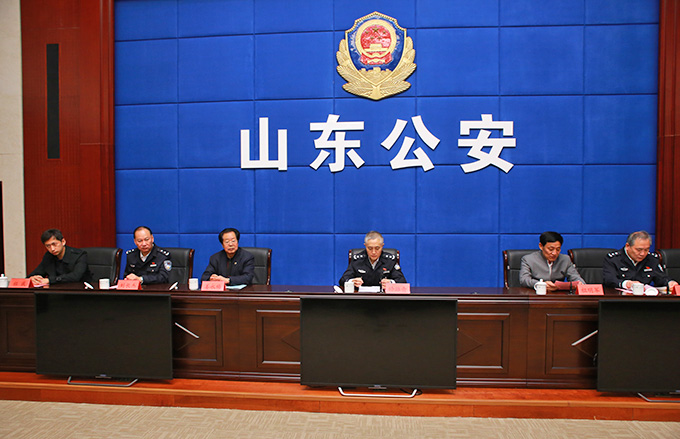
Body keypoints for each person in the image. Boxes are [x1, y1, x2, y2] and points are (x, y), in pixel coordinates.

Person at [602, 230, 678, 290]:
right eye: (639, 250)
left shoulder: (651, 259)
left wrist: (670, 282)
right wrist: (626, 283)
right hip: (618, 299)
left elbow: (660, 277)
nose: (642, 254)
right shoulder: (614, 259)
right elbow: (609, 280)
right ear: (627, 246)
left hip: (644, 300)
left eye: (646, 249)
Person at [519, 231, 584, 291]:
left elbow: (575, 277)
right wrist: (542, 284)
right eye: (551, 249)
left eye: (558, 249)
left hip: (558, 295)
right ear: (541, 246)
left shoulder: (565, 259)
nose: (554, 253)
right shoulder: (528, 259)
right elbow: (524, 280)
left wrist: (581, 284)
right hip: (536, 294)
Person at [339, 231, 406, 289]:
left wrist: (391, 283)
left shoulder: (390, 260)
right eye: (370, 248)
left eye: (377, 248)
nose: (373, 252)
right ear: (365, 246)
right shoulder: (357, 260)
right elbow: (343, 280)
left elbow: (402, 281)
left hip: (383, 297)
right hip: (361, 297)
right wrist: (352, 281)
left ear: (382, 246)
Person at [28, 228, 92, 285]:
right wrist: (32, 278)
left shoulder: (79, 255)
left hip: (79, 290)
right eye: (48, 246)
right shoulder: (48, 256)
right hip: (56, 291)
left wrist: (50, 280)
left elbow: (76, 276)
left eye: (54, 244)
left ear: (63, 242)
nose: (52, 249)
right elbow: (37, 272)